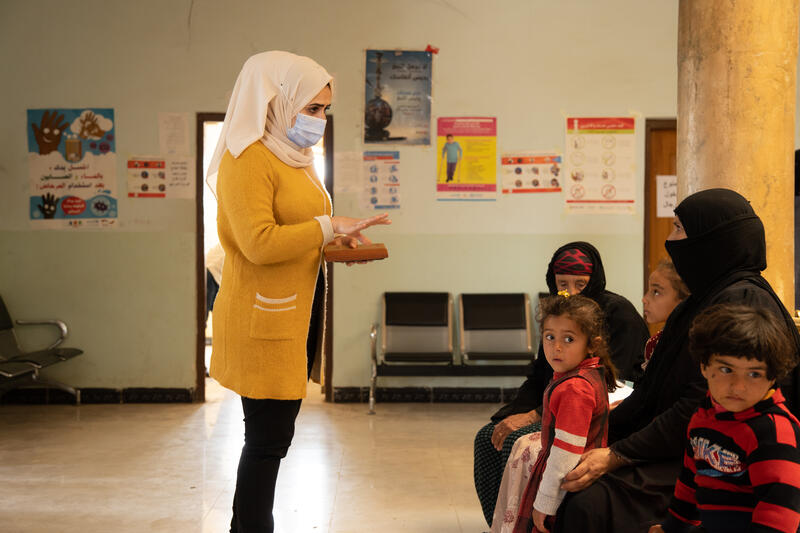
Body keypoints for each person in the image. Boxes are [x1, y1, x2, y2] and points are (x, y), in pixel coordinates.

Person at [205, 51, 391, 533]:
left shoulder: (295, 158)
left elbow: (301, 230)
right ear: (276, 101)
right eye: (312, 109)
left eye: (324, 110)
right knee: (267, 443)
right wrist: (328, 226)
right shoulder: (245, 159)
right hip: (261, 320)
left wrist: (336, 239)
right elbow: (259, 243)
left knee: (271, 442)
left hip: (295, 315)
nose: (319, 120)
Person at [552, 188, 800, 533]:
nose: (671, 240)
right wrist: (603, 431)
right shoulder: (701, 299)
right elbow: (653, 391)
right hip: (690, 442)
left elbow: (698, 405)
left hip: (733, 451)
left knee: (590, 502)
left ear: (713, 239)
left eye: (680, 228)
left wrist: (616, 454)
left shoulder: (741, 301)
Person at [474, 241, 650, 526]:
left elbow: (609, 380)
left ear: (594, 280)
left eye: (580, 283)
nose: (571, 291)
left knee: (512, 443)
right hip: (553, 400)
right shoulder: (558, 311)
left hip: (599, 409)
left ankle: (532, 520)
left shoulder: (618, 313)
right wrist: (516, 412)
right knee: (488, 437)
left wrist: (534, 415)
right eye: (562, 283)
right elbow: (539, 373)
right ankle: (502, 523)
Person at [650, 304, 800, 533]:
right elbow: (690, 483)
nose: (738, 386)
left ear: (773, 378)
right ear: (704, 366)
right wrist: (672, 528)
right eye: (726, 370)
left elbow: (779, 512)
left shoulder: (774, 431)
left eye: (754, 374)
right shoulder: (703, 417)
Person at [498, 295, 617, 533]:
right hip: (570, 480)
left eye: (569, 339)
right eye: (550, 337)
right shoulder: (587, 374)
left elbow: (565, 453)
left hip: (566, 483)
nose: (557, 347)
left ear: (591, 344)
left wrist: (545, 503)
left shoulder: (574, 388)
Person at [640, 259, 689, 373]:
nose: (644, 299)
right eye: (649, 290)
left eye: (656, 292)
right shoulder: (654, 343)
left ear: (683, 299)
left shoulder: (693, 347)